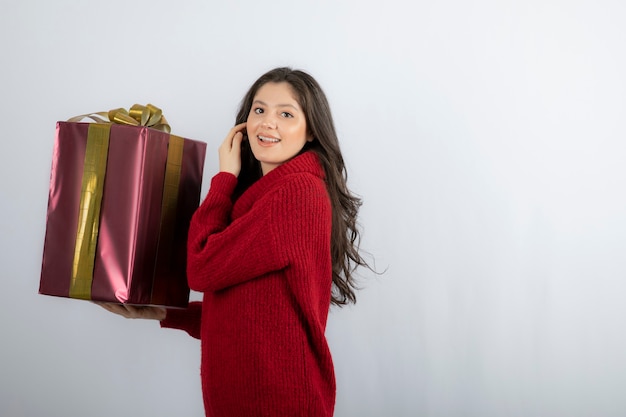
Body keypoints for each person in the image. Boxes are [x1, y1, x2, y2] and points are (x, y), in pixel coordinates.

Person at [99, 67, 370, 417]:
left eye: (286, 114)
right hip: (248, 400)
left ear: (312, 131)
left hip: (277, 403)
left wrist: (225, 176)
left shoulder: (297, 193)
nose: (267, 123)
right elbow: (247, 317)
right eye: (259, 110)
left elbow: (201, 269)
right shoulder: (265, 197)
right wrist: (164, 312)